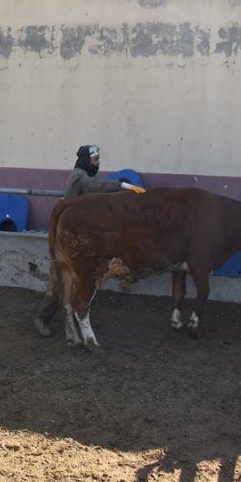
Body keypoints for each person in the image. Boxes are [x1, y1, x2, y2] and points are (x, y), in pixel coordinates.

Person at [33, 144, 146, 337]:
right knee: (62, 278)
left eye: (98, 159)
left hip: (77, 234)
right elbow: (95, 187)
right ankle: (41, 318)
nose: (98, 163)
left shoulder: (84, 175)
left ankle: (69, 315)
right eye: (95, 160)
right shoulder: (79, 177)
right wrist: (123, 185)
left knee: (73, 278)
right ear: (87, 160)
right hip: (69, 234)